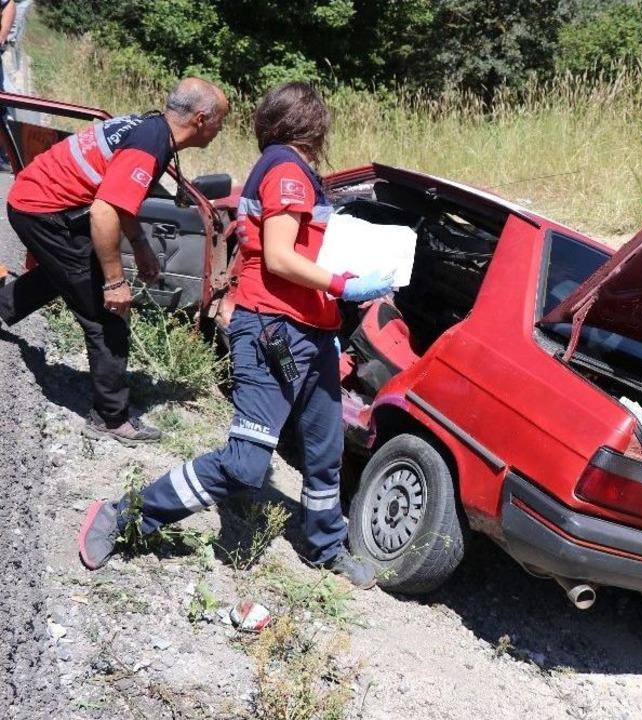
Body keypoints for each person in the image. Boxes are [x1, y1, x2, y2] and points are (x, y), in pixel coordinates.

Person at [77, 81, 393, 587]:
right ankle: (125, 515)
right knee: (246, 465)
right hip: (274, 331)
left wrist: (330, 309)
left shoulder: (289, 169)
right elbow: (280, 257)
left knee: (325, 449)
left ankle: (324, 545)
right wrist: (344, 285)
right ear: (311, 125)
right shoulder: (289, 170)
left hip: (309, 333)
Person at [0, 77, 229, 443]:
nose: (221, 130)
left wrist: (139, 245)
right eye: (221, 121)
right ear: (202, 119)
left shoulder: (151, 128)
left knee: (67, 275)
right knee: (107, 315)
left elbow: (120, 198)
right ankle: (109, 419)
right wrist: (116, 282)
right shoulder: (151, 143)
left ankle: (4, 305)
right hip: (41, 210)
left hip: (36, 200)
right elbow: (104, 212)